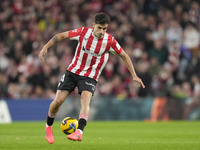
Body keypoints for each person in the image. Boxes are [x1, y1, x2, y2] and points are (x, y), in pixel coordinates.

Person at [39, 12, 145, 144]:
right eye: (99, 27)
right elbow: (61, 36)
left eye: (105, 28)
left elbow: (124, 55)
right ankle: (49, 127)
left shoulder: (110, 41)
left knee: (85, 99)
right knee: (58, 101)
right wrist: (46, 47)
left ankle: (79, 132)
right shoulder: (83, 32)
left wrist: (134, 75)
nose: (102, 31)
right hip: (72, 72)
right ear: (93, 25)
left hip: (90, 76)